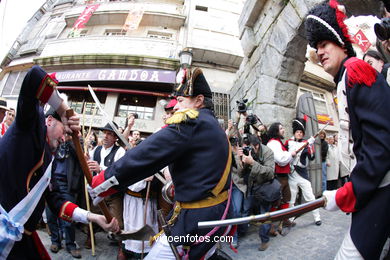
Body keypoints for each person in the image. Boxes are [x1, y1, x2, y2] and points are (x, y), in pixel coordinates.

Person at [89, 67, 233, 259]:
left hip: (196, 220)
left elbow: (145, 155)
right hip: (213, 213)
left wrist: (104, 182)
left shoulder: (192, 122)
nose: (175, 107)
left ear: (198, 101)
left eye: (181, 101)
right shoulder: (212, 125)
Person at [0, 66, 119, 259]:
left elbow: (55, 199)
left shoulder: (49, 157)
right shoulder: (29, 125)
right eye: (64, 131)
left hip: (20, 237)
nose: (65, 138)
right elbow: (33, 76)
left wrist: (94, 217)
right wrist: (62, 109)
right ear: (49, 120)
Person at [305, 1, 390, 258]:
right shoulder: (344, 79)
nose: (319, 52)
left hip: (382, 187)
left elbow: (381, 145)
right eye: (316, 47)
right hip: (372, 188)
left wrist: (347, 193)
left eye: (324, 44)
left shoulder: (355, 71)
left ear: (341, 44)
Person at [87, 121, 126, 259]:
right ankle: (90, 237)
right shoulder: (96, 150)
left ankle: (122, 246)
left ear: (116, 138)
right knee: (92, 215)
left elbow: (119, 172)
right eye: (105, 133)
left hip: (113, 192)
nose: (106, 136)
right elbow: (89, 166)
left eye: (110, 134)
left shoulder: (120, 151)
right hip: (97, 192)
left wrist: (101, 169)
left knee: (118, 222)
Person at [46, 139, 85, 258]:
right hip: (52, 182)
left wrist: (70, 138)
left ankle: (70, 244)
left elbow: (79, 154)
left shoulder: (77, 140)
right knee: (51, 215)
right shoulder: (54, 137)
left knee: (68, 216)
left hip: (67, 184)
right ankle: (55, 241)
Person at [240, 134, 274, 251]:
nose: (248, 150)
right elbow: (242, 173)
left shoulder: (267, 152)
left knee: (264, 214)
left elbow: (270, 172)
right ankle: (242, 232)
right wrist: (243, 162)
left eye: (250, 148)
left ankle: (264, 240)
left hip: (264, 187)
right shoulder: (247, 152)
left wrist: (253, 163)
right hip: (251, 186)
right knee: (245, 209)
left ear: (257, 146)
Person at [285, 118, 321, 226]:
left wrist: (310, 146)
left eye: (301, 132)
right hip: (291, 174)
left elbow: (311, 158)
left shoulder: (307, 143)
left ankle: (317, 217)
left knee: (310, 196)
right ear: (294, 133)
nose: (299, 134)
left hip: (302, 174)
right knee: (291, 199)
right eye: (297, 132)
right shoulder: (288, 142)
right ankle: (290, 219)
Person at [266, 122, 296, 228]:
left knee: (286, 197)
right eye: (281, 128)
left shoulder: (278, 142)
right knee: (275, 200)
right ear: (276, 131)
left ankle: (284, 219)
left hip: (283, 176)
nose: (283, 130)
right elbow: (281, 160)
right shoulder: (273, 143)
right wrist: (291, 154)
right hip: (277, 176)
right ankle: (270, 226)